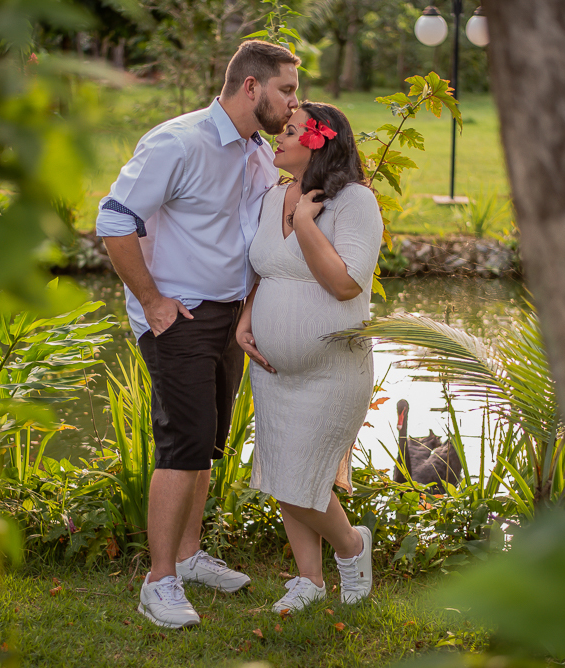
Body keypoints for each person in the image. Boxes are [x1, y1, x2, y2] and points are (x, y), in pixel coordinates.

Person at [95, 40, 301, 629]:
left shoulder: (258, 154)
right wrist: (152, 301)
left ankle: (187, 557)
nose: (294, 103)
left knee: (207, 441)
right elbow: (114, 220)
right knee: (182, 443)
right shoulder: (178, 142)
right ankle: (158, 582)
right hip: (178, 315)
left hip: (229, 317)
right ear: (251, 87)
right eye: (286, 90)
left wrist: (247, 311)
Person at [236, 102, 383, 613]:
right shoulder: (272, 196)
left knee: (302, 476)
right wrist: (246, 318)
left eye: (291, 130)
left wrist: (304, 223)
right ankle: (309, 580)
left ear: (320, 141)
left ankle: (352, 546)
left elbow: (346, 284)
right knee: (282, 473)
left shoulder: (354, 201)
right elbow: (267, 269)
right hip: (273, 371)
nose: (277, 136)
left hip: (332, 370)